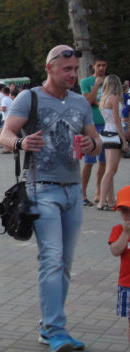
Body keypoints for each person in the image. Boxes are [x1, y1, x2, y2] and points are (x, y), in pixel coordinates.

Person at [0, 45, 102, 352]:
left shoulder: (80, 102)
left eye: (75, 70)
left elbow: (96, 140)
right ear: (50, 68)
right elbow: (5, 134)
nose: (73, 75)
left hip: (73, 190)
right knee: (52, 259)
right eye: (67, 69)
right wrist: (21, 143)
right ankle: (55, 329)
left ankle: (49, 327)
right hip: (42, 188)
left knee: (65, 263)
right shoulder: (29, 97)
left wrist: (92, 144)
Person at [97, 75, 129, 210]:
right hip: (114, 134)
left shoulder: (104, 98)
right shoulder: (114, 99)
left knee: (109, 170)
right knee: (111, 170)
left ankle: (110, 200)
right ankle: (102, 201)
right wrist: (124, 140)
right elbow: (117, 120)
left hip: (106, 133)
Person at [80, 55, 108, 206]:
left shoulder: (109, 81)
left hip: (107, 124)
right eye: (99, 65)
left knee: (104, 162)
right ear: (93, 66)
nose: (101, 68)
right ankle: (83, 193)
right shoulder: (86, 82)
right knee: (89, 161)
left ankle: (99, 192)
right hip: (92, 124)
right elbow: (87, 101)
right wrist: (96, 85)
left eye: (104, 65)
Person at [108, 186, 130, 345]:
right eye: (124, 211)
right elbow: (115, 250)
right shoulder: (118, 230)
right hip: (127, 284)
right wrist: (126, 233)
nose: (128, 215)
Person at [0, 87, 13, 154]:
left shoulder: (4, 99)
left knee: (2, 133)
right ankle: (10, 147)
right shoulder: (10, 99)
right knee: (8, 133)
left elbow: (4, 109)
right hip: (10, 118)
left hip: (5, 118)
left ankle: (6, 148)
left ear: (2, 92)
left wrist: (0, 108)